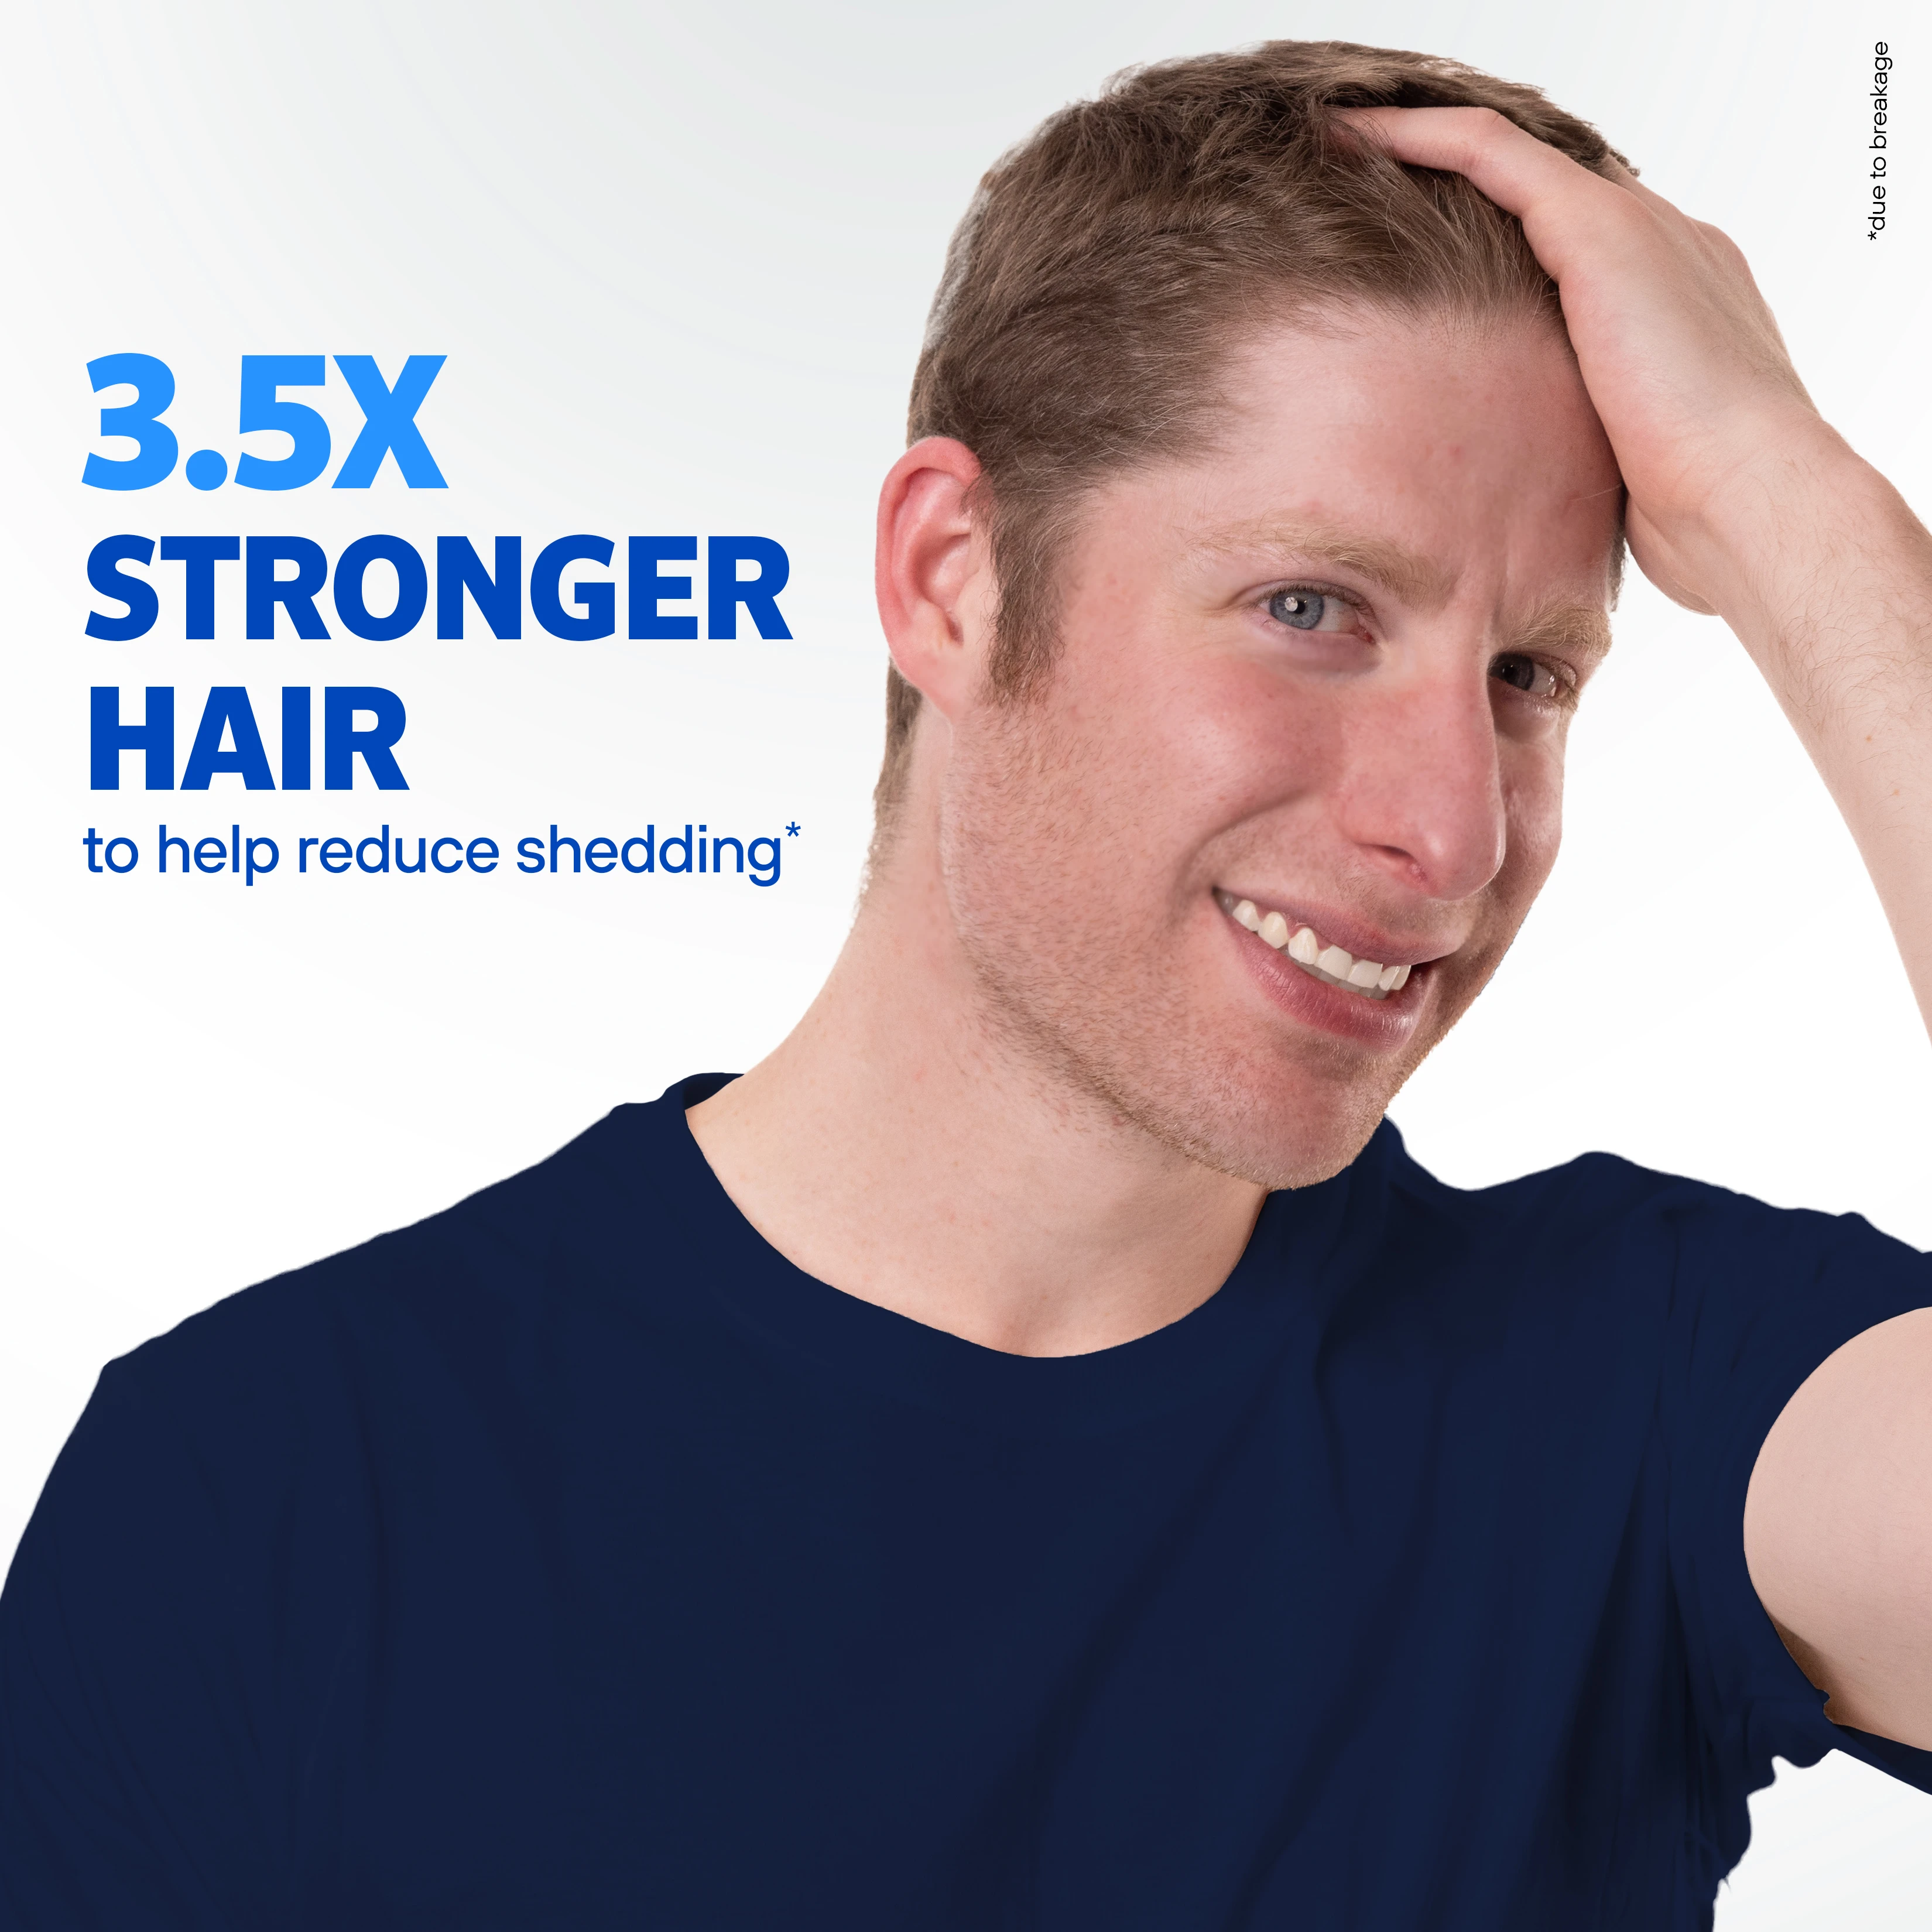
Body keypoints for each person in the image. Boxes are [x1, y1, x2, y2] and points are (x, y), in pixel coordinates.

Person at [4, 37, 1930, 1931]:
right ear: (950, 577)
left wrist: (1787, 494)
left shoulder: (1646, 1401)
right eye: (1308, 611)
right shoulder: (258, 1493)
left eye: (1528, 676)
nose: (1454, 830)